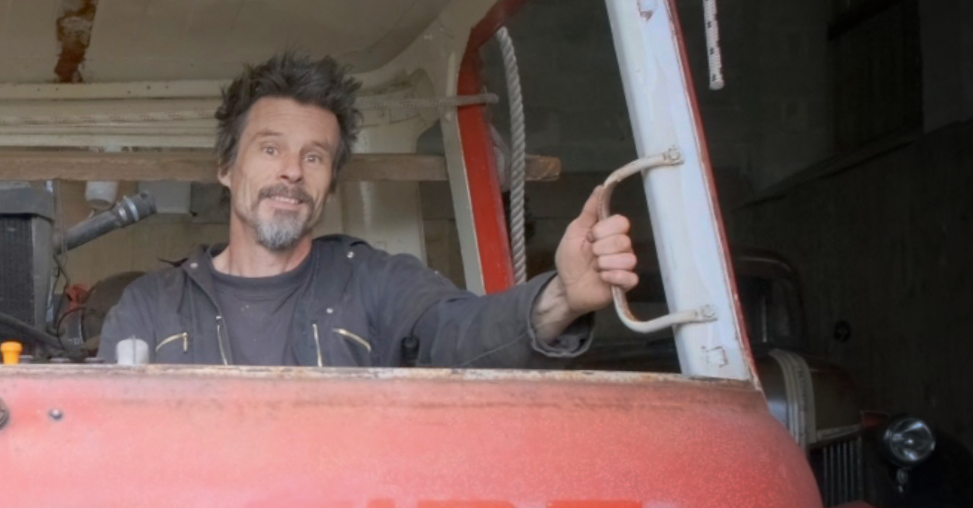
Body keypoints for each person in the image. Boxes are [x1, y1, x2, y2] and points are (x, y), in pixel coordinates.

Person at [98, 51, 635, 367]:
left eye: (315, 156)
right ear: (225, 167)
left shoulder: (378, 283)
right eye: (270, 149)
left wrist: (561, 298)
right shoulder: (149, 308)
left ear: (330, 183)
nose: (292, 170)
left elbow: (463, 333)